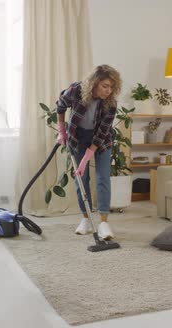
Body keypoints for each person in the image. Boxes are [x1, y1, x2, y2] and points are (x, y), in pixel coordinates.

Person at [55, 64, 122, 240]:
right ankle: (85, 219)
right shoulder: (76, 90)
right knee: (81, 179)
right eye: (105, 86)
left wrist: (85, 160)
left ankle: (103, 223)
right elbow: (60, 106)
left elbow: (102, 133)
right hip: (78, 137)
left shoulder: (111, 103)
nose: (109, 91)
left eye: (112, 87)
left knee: (102, 178)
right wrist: (61, 131)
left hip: (101, 141)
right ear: (95, 83)